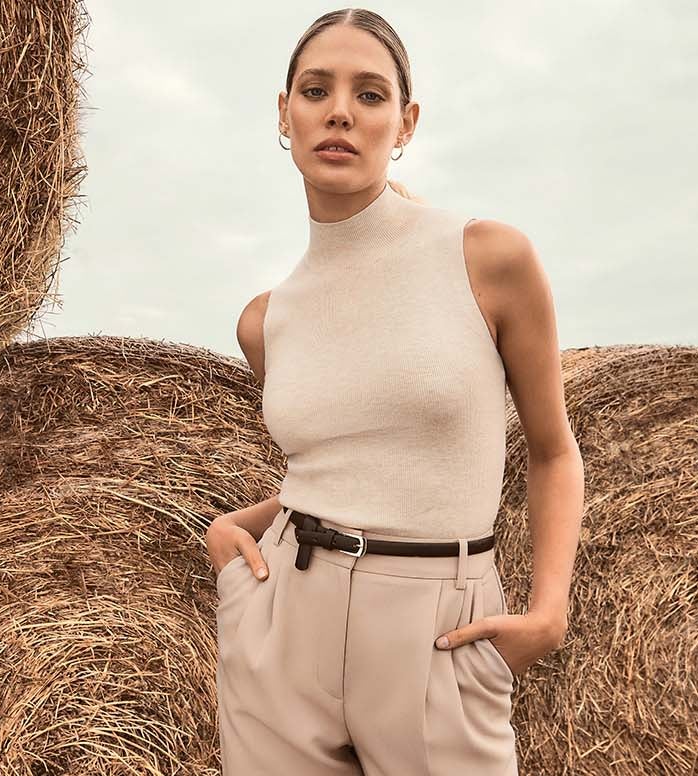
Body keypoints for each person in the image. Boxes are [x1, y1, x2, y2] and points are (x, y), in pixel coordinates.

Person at [205, 8, 584, 775]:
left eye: (370, 95)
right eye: (316, 89)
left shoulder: (486, 259)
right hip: (284, 623)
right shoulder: (264, 321)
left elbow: (553, 452)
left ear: (405, 123)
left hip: (438, 632)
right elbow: (336, 468)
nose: (340, 110)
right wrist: (227, 534)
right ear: (285, 114)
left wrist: (549, 611)